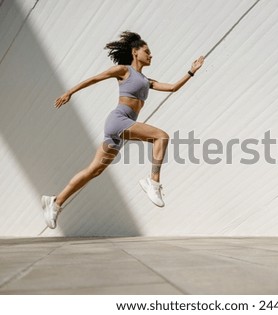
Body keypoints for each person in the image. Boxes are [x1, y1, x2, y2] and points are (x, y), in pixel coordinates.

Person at [41, 31, 205, 229]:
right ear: (135, 52)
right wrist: (69, 92)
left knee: (94, 170)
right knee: (161, 137)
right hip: (119, 120)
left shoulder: (147, 81)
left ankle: (55, 202)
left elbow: (172, 88)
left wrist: (192, 71)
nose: (151, 55)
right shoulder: (124, 71)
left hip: (120, 128)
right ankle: (153, 181)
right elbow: (95, 79)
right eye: (147, 51)